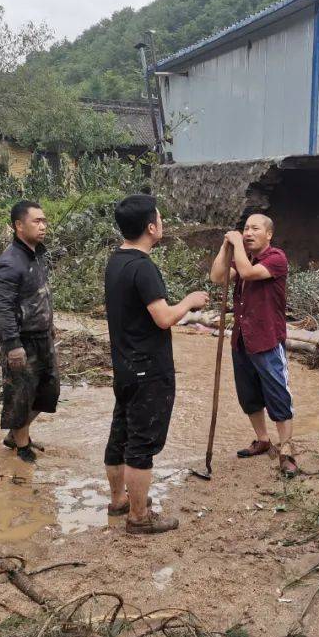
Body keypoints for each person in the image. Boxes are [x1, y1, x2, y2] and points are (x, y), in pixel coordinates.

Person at [104, 194, 209, 535]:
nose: (162, 224)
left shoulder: (116, 261)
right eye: (160, 219)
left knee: (121, 435)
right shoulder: (143, 267)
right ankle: (138, 517)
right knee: (142, 445)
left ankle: (119, 500)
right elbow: (163, 318)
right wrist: (189, 302)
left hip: (124, 366)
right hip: (148, 369)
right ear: (151, 227)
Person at [209, 213, 298, 477]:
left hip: (267, 339)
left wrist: (236, 243)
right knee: (248, 395)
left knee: (278, 394)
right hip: (242, 338)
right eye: (245, 228)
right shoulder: (243, 257)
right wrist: (225, 248)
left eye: (254, 229)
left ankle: (287, 449)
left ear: (268, 234)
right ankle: (262, 439)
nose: (248, 233)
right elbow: (216, 276)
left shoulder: (275, 258)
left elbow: (247, 272)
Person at [0, 200, 58, 464]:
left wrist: (49, 323)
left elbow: (38, 294)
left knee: (48, 391)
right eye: (36, 221)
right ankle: (21, 446)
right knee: (21, 395)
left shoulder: (37, 254)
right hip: (21, 341)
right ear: (19, 226)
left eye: (44, 221)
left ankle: (15, 434)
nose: (43, 226)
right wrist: (12, 345)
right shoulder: (9, 262)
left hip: (42, 336)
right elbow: (4, 309)